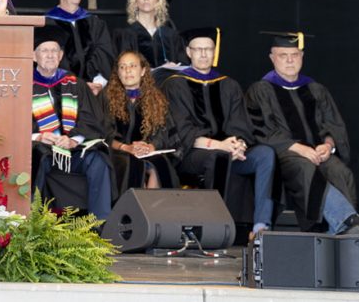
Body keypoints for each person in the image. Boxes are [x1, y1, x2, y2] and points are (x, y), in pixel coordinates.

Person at [245, 31, 359, 235]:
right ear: (272, 58)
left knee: (340, 171)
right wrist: (299, 148)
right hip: (285, 154)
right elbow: (260, 129)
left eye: (295, 55)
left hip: (317, 151)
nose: (289, 60)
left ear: (302, 57)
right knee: (305, 168)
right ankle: (349, 221)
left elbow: (332, 125)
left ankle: (342, 232)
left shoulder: (315, 89)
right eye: (283, 55)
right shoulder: (261, 90)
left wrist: (328, 146)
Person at [162, 27, 275, 239]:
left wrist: (238, 144)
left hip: (229, 152)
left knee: (265, 154)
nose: (204, 54)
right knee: (217, 158)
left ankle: (261, 226)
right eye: (198, 50)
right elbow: (182, 130)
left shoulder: (228, 85)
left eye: (209, 49)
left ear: (215, 52)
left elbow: (240, 123)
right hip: (192, 154)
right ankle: (214, 229)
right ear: (188, 52)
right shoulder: (175, 85)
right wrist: (220, 146)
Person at [30, 25, 111, 220]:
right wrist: (39, 136)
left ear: (61, 55)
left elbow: (92, 119)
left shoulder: (75, 83)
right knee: (38, 154)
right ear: (34, 56)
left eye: (54, 51)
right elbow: (14, 122)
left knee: (98, 160)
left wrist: (74, 140)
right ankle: (31, 224)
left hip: (72, 151)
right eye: (44, 50)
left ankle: (98, 227)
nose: (50, 55)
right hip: (43, 150)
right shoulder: (24, 83)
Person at [103, 51, 178, 191]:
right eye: (122, 67)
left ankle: (152, 210)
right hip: (116, 152)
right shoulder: (106, 98)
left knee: (159, 164)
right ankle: (135, 210)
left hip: (146, 151)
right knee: (134, 166)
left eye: (133, 66)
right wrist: (125, 147)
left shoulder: (156, 99)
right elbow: (102, 133)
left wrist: (151, 147)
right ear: (118, 74)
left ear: (143, 71)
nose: (127, 70)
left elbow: (163, 133)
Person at [39, 0, 115, 95]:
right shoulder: (47, 24)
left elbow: (105, 56)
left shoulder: (95, 23)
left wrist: (97, 83)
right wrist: (76, 85)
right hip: (59, 92)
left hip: (94, 92)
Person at [111, 0, 186, 83]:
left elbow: (182, 64)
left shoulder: (171, 35)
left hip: (167, 90)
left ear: (159, 0)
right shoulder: (124, 35)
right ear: (135, 0)